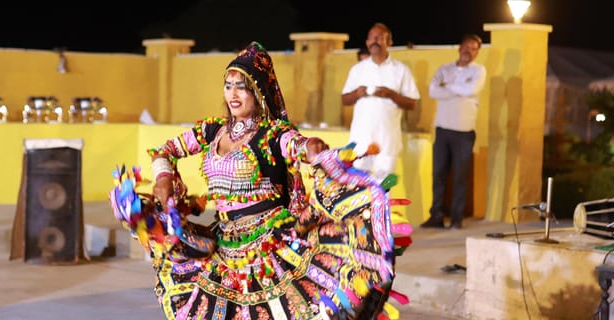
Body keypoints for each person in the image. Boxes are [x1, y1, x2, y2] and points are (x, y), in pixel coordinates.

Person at [109, 41, 410, 319]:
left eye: (242, 87)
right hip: (224, 246)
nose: (233, 94)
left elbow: (299, 145)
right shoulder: (213, 131)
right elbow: (164, 151)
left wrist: (312, 147)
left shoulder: (273, 134)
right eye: (228, 86)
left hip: (269, 247)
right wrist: (163, 177)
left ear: (258, 92)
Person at [420, 34, 486, 230]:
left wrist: (447, 86)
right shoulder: (444, 69)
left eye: (473, 49)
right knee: (438, 174)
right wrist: (459, 89)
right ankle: (436, 216)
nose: (469, 51)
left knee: (460, 177)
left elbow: (471, 90)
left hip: (464, 131)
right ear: (459, 48)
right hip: (442, 129)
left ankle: (457, 218)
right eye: (466, 47)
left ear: (477, 53)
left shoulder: (478, 70)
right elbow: (433, 91)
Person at [341, 23, 420, 182]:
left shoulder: (401, 70)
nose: (374, 41)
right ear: (367, 42)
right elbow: (345, 99)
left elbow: (412, 103)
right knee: (356, 187)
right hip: (360, 141)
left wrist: (391, 94)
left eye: (379, 38)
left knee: (383, 188)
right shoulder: (358, 69)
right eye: (371, 38)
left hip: (387, 141)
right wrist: (357, 94)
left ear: (389, 42)